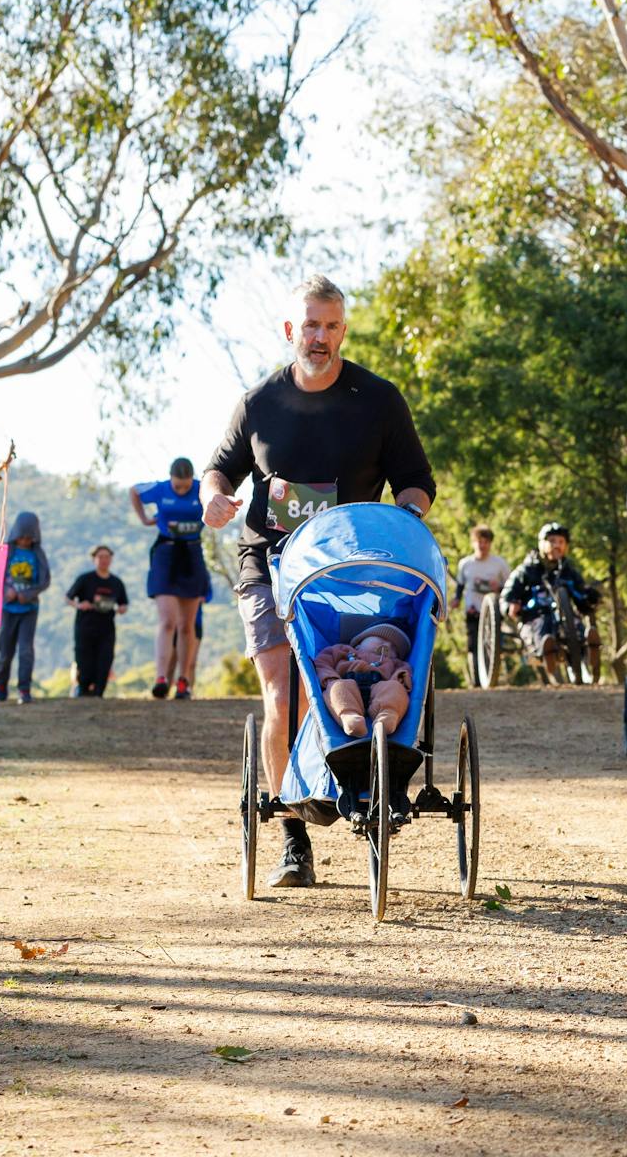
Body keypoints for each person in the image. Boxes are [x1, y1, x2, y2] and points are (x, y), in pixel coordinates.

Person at [202, 274, 436, 890]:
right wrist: (215, 500)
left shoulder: (379, 400)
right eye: (310, 325)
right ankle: (291, 834)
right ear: (290, 332)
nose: (320, 337)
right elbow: (218, 472)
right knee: (285, 691)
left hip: (349, 571)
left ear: (343, 332)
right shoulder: (259, 404)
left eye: (331, 326)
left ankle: (365, 780)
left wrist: (408, 514)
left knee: (360, 676)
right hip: (271, 566)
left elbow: (416, 480)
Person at [130, 457, 210, 700]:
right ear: (171, 480)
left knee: (187, 625)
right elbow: (133, 491)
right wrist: (144, 518)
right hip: (166, 553)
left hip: (193, 553)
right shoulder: (161, 488)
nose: (182, 489)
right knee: (167, 621)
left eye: (186, 486)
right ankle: (161, 677)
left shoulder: (202, 488)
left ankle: (183, 681)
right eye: (178, 486)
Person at [501, 522, 600, 682]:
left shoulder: (569, 571)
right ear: (542, 544)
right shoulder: (526, 570)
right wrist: (510, 605)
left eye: (561, 542)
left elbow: (581, 593)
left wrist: (590, 597)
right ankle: (547, 652)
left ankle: (588, 650)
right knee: (542, 627)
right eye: (552, 541)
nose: (557, 546)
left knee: (576, 625)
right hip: (535, 617)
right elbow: (507, 594)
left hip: (564, 619)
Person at [0, 511, 51, 704]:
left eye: (29, 537)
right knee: (5, 652)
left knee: (26, 650)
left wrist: (28, 594)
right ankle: (1, 685)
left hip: (29, 610)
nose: (25, 541)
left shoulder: (37, 554)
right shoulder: (6, 552)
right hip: (8, 610)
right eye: (22, 536)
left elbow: (45, 580)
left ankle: (24, 689)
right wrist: (6, 589)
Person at [314, 623, 413, 738]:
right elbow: (322, 663)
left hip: (379, 689)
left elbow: (403, 673)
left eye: (394, 648)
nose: (387, 645)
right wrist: (330, 678)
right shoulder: (342, 650)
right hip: (347, 685)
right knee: (336, 688)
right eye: (380, 639)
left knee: (395, 689)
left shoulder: (394, 662)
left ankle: (386, 717)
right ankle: (349, 716)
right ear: (359, 643)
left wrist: (399, 681)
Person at [66, 545, 129, 697]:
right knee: (84, 660)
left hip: (107, 628)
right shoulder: (85, 579)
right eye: (100, 557)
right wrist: (79, 605)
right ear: (94, 559)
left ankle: (99, 692)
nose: (104, 560)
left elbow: (124, 603)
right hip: (85, 627)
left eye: (107, 557)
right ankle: (83, 690)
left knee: (105, 660)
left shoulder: (116, 582)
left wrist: (122, 609)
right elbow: (68, 597)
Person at [453, 526, 510, 681]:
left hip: (493, 612)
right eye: (479, 541)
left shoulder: (499, 563)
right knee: (473, 645)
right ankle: (476, 680)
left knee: (493, 644)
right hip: (473, 609)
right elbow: (460, 585)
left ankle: (493, 676)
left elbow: (510, 586)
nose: (482, 545)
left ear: (490, 544)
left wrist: (498, 587)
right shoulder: (465, 563)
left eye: (486, 542)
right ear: (473, 543)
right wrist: (456, 600)